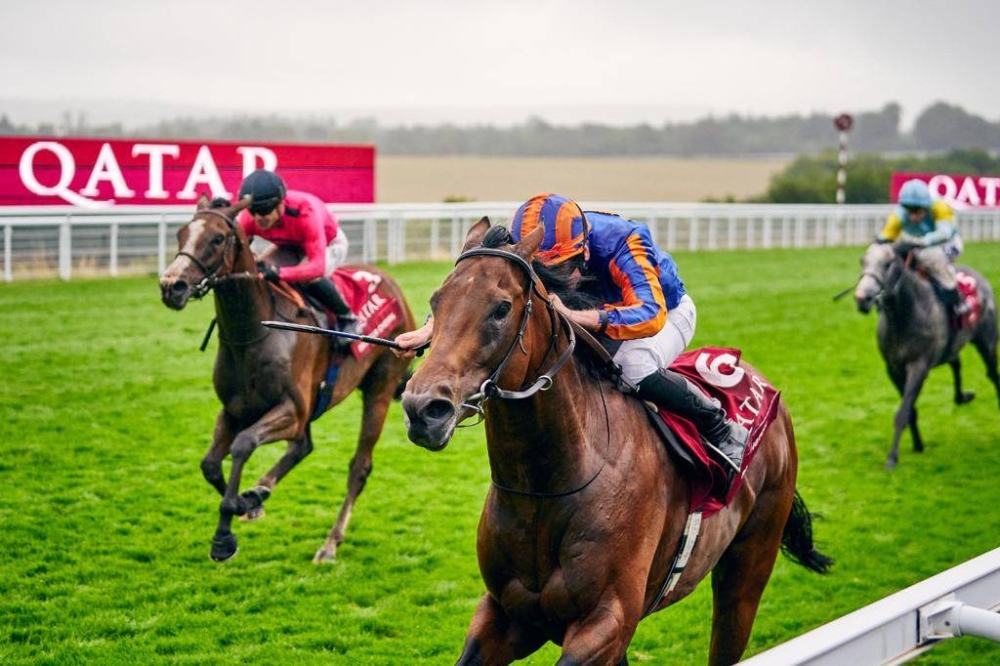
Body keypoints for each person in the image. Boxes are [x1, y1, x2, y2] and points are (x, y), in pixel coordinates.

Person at [395, 193, 748, 479]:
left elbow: (649, 316)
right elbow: (475, 292)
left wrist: (578, 316)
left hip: (664, 310)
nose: (554, 277)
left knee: (632, 364)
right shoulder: (524, 243)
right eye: (542, 270)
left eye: (561, 268)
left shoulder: (626, 241)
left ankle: (718, 426)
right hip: (591, 305)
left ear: (583, 250)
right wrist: (431, 329)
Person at [236, 169, 359, 335]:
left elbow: (317, 266)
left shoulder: (304, 213)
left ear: (281, 203)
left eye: (265, 210)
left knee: (308, 278)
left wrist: (279, 273)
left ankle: (347, 317)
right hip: (290, 246)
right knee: (257, 274)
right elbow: (237, 248)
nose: (258, 218)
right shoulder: (249, 218)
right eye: (252, 211)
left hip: (329, 244)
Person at [878, 178, 968, 317]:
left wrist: (923, 241)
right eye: (909, 210)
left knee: (930, 257)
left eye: (917, 211)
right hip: (919, 248)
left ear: (926, 207)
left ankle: (955, 296)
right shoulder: (898, 215)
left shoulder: (939, 207)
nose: (913, 216)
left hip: (949, 245)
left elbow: (945, 232)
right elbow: (885, 238)